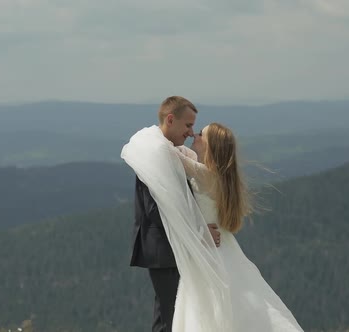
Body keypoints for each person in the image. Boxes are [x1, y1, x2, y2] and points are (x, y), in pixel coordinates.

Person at [122, 117, 303, 331]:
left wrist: (156, 131)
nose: (194, 135)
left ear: (210, 146)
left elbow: (169, 155)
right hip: (221, 247)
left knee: (208, 307)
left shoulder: (206, 174)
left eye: (200, 134)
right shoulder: (218, 176)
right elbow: (184, 155)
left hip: (210, 248)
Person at [127, 96, 221, 332]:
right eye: (188, 125)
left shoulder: (165, 150)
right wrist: (198, 230)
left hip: (170, 246)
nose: (191, 133)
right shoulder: (154, 153)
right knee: (171, 316)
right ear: (171, 119)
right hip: (164, 249)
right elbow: (156, 209)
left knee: (172, 314)